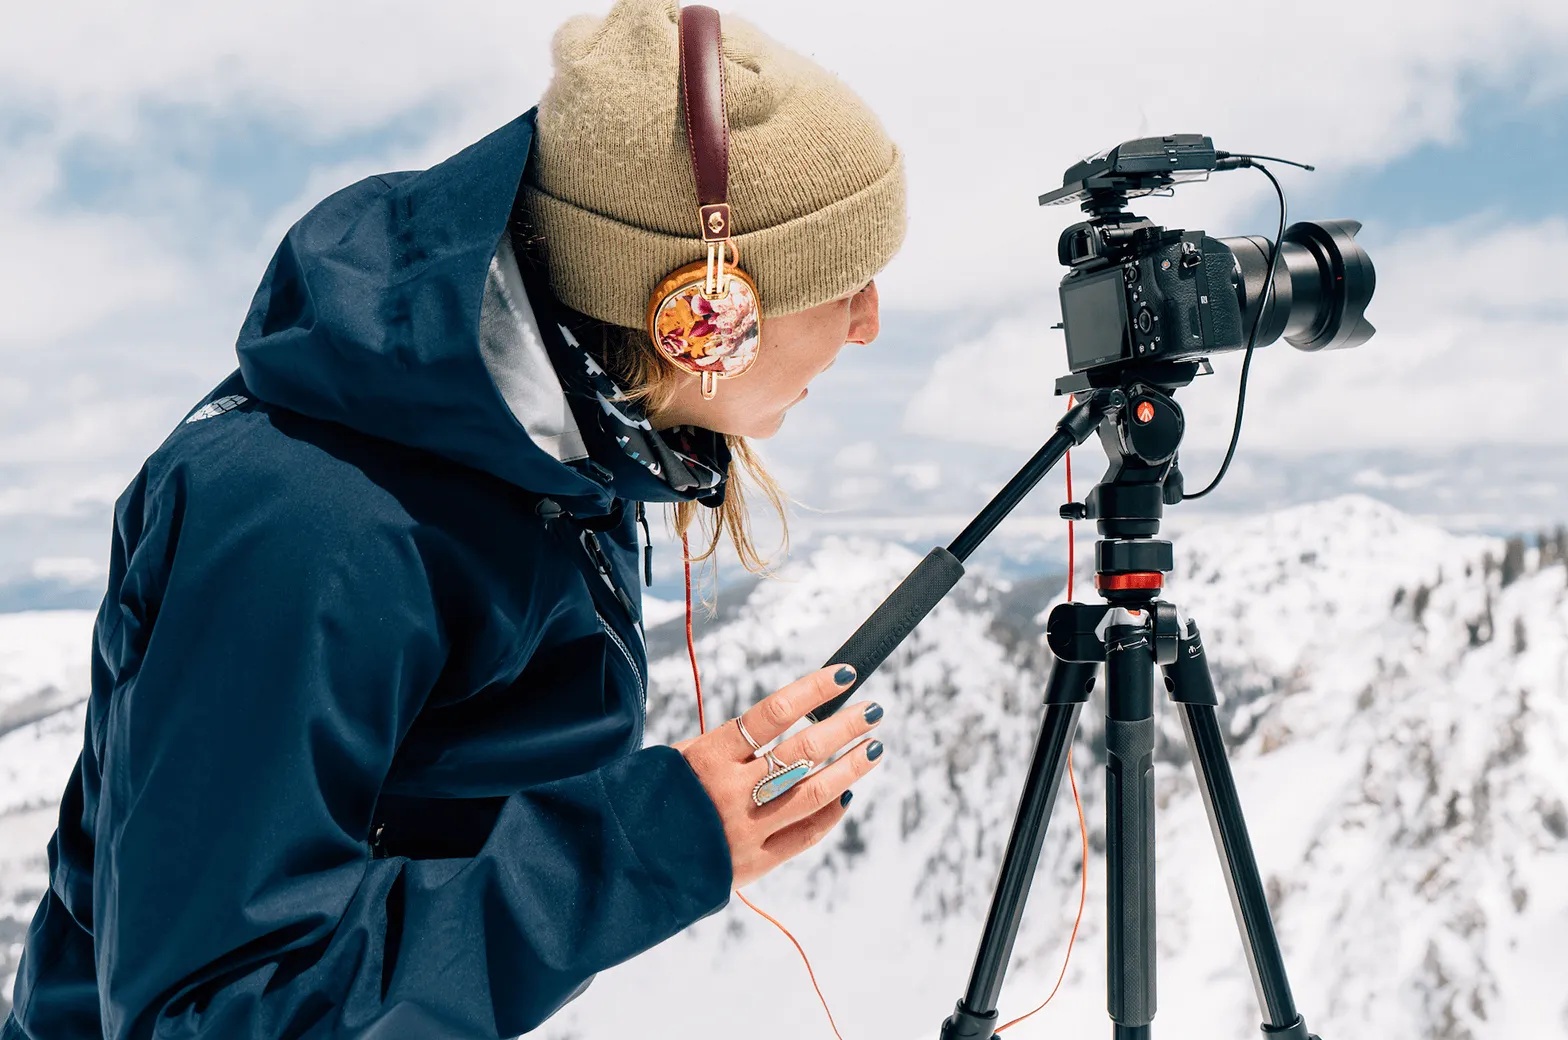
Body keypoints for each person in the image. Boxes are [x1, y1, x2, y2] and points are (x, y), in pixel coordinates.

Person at [2, 1, 907, 1037]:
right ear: (700, 313)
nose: (871, 319)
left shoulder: (553, 442)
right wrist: (637, 848)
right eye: (836, 279)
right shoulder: (309, 529)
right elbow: (213, 1011)